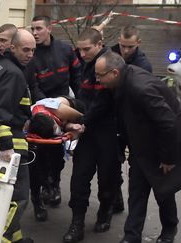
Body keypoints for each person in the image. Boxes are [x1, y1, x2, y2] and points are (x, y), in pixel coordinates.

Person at [94, 51, 181, 243]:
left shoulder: (140, 88)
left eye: (100, 75)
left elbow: (167, 122)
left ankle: (169, 229)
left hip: (164, 146)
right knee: (137, 190)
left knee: (163, 190)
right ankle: (132, 235)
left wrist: (168, 158)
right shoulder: (124, 80)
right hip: (141, 146)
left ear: (114, 73)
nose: (97, 79)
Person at [0, 25, 36, 243]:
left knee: (3, 195)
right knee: (18, 197)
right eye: (25, 50)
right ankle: (0, 238)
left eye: (33, 50)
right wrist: (6, 146)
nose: (30, 55)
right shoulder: (14, 74)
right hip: (8, 143)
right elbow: (1, 113)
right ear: (12, 48)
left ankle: (16, 238)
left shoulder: (0, 67)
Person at [62, 28, 119, 243]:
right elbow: (82, 97)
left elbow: (103, 103)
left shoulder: (110, 65)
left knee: (107, 178)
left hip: (107, 131)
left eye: (87, 49)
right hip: (86, 132)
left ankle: (105, 210)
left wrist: (82, 122)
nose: (82, 53)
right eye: (80, 49)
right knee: (79, 178)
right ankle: (77, 222)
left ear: (99, 44)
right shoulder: (85, 65)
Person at [26, 15, 82, 221]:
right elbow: (34, 87)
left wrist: (77, 103)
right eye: (33, 29)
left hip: (63, 104)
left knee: (57, 153)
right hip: (42, 110)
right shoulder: (31, 56)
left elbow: (77, 76)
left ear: (49, 28)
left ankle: (54, 185)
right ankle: (38, 197)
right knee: (37, 156)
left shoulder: (65, 50)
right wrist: (47, 107)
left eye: (39, 28)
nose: (35, 33)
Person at [110, 24, 153, 214]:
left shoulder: (143, 65)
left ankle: (134, 203)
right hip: (115, 118)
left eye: (130, 47)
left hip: (135, 123)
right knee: (112, 162)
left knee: (136, 165)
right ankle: (116, 195)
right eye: (123, 46)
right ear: (119, 41)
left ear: (138, 43)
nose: (126, 50)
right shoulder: (110, 55)